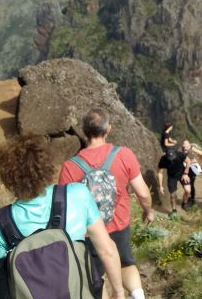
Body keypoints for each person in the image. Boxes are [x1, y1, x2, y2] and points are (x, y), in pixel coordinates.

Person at [0, 133, 125, 299]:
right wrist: (118, 292)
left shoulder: (1, 221)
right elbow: (107, 250)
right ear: (46, 167)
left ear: (7, 178)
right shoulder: (77, 194)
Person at [60, 107, 155, 299]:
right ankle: (138, 295)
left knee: (96, 276)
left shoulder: (70, 166)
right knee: (125, 263)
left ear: (84, 131)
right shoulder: (124, 154)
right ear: (108, 129)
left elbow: (65, 208)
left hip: (89, 233)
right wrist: (148, 211)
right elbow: (143, 193)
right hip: (118, 224)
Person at [157, 148, 186, 215]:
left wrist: (186, 173)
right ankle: (174, 210)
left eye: (172, 157)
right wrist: (161, 186)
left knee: (188, 190)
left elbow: (188, 161)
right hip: (172, 176)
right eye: (170, 158)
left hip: (182, 173)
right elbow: (160, 172)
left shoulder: (179, 154)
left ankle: (185, 203)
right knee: (172, 194)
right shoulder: (163, 160)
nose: (171, 159)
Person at [180, 138, 202, 209]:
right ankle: (187, 198)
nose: (185, 145)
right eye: (184, 144)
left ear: (189, 144)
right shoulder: (180, 150)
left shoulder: (192, 149)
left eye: (186, 143)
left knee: (191, 184)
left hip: (192, 169)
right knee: (186, 185)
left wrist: (198, 161)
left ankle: (191, 199)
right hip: (184, 169)